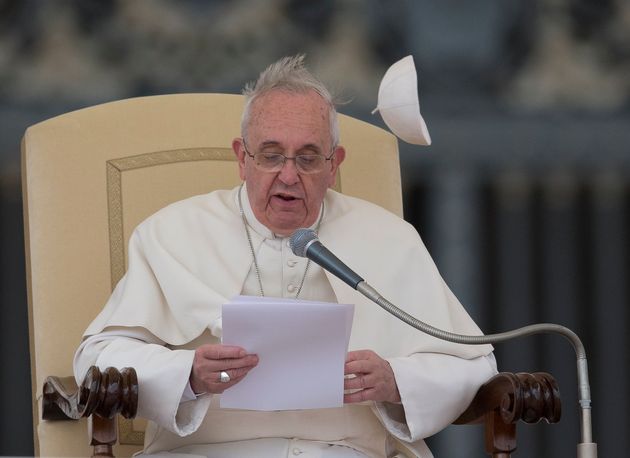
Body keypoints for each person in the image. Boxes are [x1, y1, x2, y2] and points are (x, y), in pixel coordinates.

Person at [74, 55, 496, 458]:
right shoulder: (171, 233)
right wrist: (187, 374)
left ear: (335, 165)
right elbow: (97, 357)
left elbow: (475, 366)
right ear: (242, 158)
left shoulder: (391, 239)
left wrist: (397, 381)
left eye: (309, 158)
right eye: (271, 156)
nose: (289, 175)